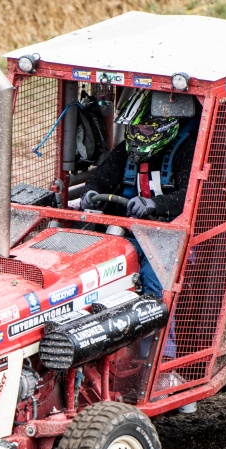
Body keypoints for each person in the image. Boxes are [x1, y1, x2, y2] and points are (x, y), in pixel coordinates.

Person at [80, 89, 198, 298]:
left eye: (146, 129)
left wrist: (154, 204)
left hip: (167, 238)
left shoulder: (185, 151)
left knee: (154, 283)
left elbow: (189, 197)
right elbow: (101, 179)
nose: (138, 135)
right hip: (125, 233)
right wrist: (91, 192)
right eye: (134, 128)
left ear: (164, 128)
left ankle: (156, 313)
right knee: (88, 269)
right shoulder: (125, 151)